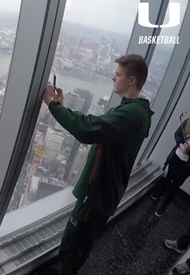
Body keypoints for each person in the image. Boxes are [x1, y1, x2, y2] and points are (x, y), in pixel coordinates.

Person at [38, 54, 154, 275]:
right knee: (81, 239)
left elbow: (87, 129)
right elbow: (99, 127)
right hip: (104, 190)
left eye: (118, 74)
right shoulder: (133, 109)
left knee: (75, 240)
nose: (112, 77)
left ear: (131, 80)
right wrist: (65, 107)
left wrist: (52, 105)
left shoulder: (131, 114)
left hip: (99, 192)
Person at [150, 116, 190, 217]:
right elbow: (177, 134)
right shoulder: (189, 120)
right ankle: (160, 193)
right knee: (169, 177)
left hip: (187, 165)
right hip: (176, 156)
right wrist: (181, 145)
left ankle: (163, 207)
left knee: (176, 185)